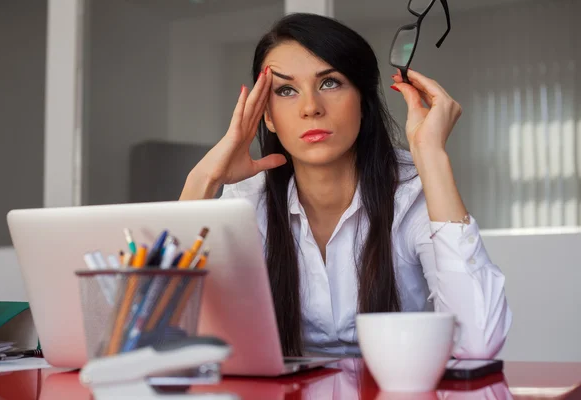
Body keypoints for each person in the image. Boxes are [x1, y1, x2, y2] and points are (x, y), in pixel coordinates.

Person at [179, 13, 512, 358]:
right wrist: (203, 180)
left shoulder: (410, 192)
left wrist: (432, 157)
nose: (311, 108)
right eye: (287, 90)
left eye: (330, 83)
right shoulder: (248, 201)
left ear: (364, 102)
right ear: (267, 117)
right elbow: (168, 330)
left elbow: (477, 343)